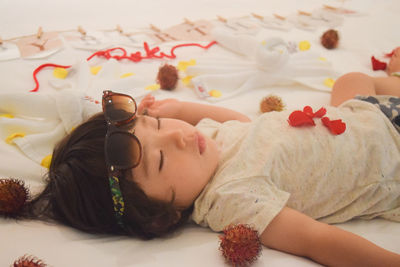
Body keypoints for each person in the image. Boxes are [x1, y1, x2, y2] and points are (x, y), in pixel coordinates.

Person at [17, 49, 400, 266]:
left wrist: (179, 108)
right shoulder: (230, 199)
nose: (180, 135)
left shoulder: (208, 144)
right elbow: (316, 240)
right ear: (162, 216)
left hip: (361, 115)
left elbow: (243, 123)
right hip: (390, 154)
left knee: (350, 80)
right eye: (162, 159)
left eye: (155, 123)